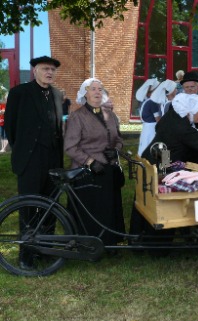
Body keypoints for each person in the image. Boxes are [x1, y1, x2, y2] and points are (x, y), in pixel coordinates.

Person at [4, 56, 64, 268]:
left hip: (53, 159)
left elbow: (58, 128)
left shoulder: (58, 95)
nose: (49, 72)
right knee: (29, 207)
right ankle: (26, 255)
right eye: (45, 69)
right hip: (29, 160)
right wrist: (22, 149)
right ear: (35, 71)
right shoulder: (19, 93)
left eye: (52, 70)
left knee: (50, 207)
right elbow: (10, 127)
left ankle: (45, 250)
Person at [64, 78, 126, 246]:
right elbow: (70, 147)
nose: (98, 92)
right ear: (85, 94)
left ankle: (110, 241)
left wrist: (116, 149)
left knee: (109, 208)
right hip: (87, 173)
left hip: (109, 170)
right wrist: (90, 161)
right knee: (93, 210)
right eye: (93, 89)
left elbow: (119, 139)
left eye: (100, 89)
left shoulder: (110, 115)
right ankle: (88, 243)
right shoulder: (77, 117)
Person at [137, 80, 177, 156]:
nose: (176, 90)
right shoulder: (156, 102)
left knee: (159, 149)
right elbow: (159, 120)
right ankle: (153, 165)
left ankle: (162, 165)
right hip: (153, 129)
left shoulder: (163, 101)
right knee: (152, 148)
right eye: (175, 88)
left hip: (156, 128)